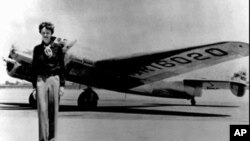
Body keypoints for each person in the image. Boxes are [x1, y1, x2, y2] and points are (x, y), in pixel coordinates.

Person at [32, 22, 66, 141]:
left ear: (51, 33)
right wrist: (34, 87)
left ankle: (52, 139)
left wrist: (62, 85)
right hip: (41, 80)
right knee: (42, 111)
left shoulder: (58, 48)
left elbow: (62, 67)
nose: (45, 34)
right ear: (40, 33)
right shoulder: (36, 49)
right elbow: (34, 69)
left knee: (53, 112)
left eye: (48, 32)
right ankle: (42, 139)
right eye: (43, 32)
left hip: (54, 79)